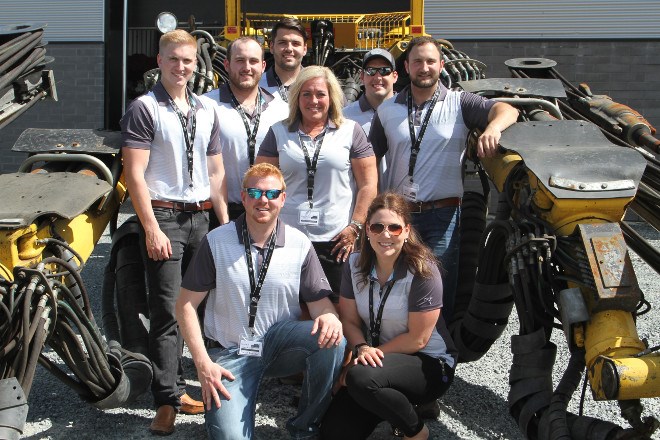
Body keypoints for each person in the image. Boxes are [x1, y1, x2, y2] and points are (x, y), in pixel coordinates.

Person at [176, 163, 346, 440]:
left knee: (334, 338)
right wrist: (202, 364)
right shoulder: (216, 241)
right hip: (229, 353)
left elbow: (320, 305)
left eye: (270, 193)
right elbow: (184, 305)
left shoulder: (299, 243)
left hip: (279, 346)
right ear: (243, 198)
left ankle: (305, 426)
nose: (262, 200)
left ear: (283, 198)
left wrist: (329, 315)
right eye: (254, 192)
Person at [120, 29, 228, 435]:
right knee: (167, 311)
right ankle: (166, 400)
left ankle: (204, 383)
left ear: (196, 63)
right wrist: (150, 228)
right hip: (166, 218)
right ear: (159, 62)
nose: (181, 67)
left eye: (188, 60)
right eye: (174, 60)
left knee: (202, 309)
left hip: (203, 217)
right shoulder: (145, 108)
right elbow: (134, 174)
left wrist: (224, 224)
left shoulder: (206, 109)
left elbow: (216, 172)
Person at [369, 36, 519, 321]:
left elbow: (508, 109)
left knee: (436, 292)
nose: (424, 68)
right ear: (407, 67)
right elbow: (369, 159)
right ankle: (401, 357)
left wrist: (493, 129)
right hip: (399, 219)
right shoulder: (388, 110)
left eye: (430, 61)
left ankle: (438, 359)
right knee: (395, 289)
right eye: (417, 62)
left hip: (443, 217)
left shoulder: (459, 103)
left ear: (441, 65)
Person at [321, 192, 457, 440]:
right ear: (368, 231)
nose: (386, 234)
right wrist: (361, 348)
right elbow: (349, 321)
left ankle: (415, 431)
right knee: (333, 434)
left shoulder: (423, 270)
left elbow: (418, 340)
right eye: (377, 227)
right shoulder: (353, 265)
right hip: (376, 360)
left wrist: (360, 360)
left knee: (359, 378)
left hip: (429, 362)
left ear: (406, 231)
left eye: (394, 228)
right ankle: (390, 406)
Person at [256, 66, 378, 296]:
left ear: (331, 97)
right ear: (296, 97)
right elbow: (261, 183)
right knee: (292, 306)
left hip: (336, 240)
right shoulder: (278, 132)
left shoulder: (351, 131)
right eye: (306, 94)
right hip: (286, 239)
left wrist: (356, 227)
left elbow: (369, 185)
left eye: (321, 94)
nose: (314, 100)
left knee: (336, 310)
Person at [205, 36, 288, 225]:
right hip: (222, 212)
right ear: (227, 64)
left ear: (263, 65)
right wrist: (223, 220)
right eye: (240, 60)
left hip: (268, 210)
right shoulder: (206, 105)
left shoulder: (282, 110)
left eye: (253, 61)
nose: (247, 68)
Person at [343, 48, 399, 135]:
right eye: (370, 71)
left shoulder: (410, 111)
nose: (377, 77)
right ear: (362, 77)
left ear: (395, 76)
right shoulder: (345, 117)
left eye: (384, 70)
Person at [259, 18, 307, 102]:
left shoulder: (316, 85)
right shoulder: (257, 86)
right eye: (282, 43)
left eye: (296, 43)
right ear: (271, 47)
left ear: (305, 49)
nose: (289, 49)